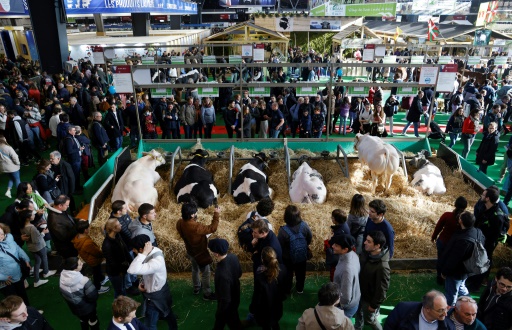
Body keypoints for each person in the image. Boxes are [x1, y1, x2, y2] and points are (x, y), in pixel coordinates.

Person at [127, 234, 178, 330]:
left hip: (155, 297)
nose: (133, 250)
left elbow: (131, 270)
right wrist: (142, 282)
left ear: (142, 249)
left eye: (134, 249)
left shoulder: (155, 261)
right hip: (161, 291)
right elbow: (146, 272)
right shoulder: (154, 251)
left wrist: (142, 254)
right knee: (168, 313)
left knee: (150, 325)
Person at [438, 211, 484, 306]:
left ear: (461, 221)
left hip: (457, 272)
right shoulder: (477, 232)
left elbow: (453, 259)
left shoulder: (463, 241)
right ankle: (470, 303)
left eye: (460, 217)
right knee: (461, 286)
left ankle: (450, 310)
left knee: (451, 292)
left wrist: (444, 272)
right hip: (468, 269)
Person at [176, 202, 219, 300]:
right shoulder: (196, 227)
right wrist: (216, 214)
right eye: (195, 212)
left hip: (190, 252)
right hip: (200, 254)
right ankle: (207, 294)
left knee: (195, 269)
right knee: (206, 272)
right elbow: (213, 228)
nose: (196, 213)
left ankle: (196, 288)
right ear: (191, 215)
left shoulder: (179, 222)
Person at [470, 188, 509, 290]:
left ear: (488, 198)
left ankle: (477, 283)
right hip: (480, 240)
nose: (481, 197)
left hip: (487, 243)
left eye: (483, 195)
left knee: (483, 261)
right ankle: (473, 278)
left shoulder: (497, 216)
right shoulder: (484, 208)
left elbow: (495, 234)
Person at [355, 231, 391, 330]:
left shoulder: (382, 267)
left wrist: (374, 305)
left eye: (369, 241)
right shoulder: (366, 253)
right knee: (358, 315)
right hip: (360, 293)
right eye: (366, 240)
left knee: (370, 320)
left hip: (369, 299)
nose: (364, 243)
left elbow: (382, 289)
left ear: (377, 246)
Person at [208, 238, 243, 330]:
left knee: (221, 321)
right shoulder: (233, 257)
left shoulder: (222, 274)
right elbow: (239, 273)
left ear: (216, 254)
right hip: (236, 295)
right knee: (234, 319)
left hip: (227, 305)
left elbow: (225, 300)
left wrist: (219, 312)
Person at [431, 196, 467, 285]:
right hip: (456, 245)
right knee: (452, 261)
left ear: (455, 205)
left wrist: (434, 236)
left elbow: (438, 227)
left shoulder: (447, 215)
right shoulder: (465, 219)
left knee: (441, 260)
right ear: (465, 207)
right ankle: (448, 277)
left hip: (443, 241)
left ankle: (440, 277)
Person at [277, 205, 313, 295]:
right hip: (301, 255)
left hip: (288, 258)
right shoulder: (304, 226)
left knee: (288, 274)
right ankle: (300, 289)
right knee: (301, 274)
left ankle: (287, 290)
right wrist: (304, 245)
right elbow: (309, 237)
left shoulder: (283, 231)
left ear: (286, 216)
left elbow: (279, 245)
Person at [249, 246, 287, 330]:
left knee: (266, 326)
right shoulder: (283, 269)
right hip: (277, 307)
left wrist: (252, 308)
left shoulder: (260, 276)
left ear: (262, 260)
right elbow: (284, 287)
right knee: (275, 323)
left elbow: (257, 297)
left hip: (264, 311)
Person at [59, 257, 100, 330]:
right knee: (93, 320)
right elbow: (93, 296)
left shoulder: (62, 278)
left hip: (74, 307)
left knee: (83, 320)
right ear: (75, 268)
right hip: (88, 308)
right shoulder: (84, 280)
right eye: (80, 264)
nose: (82, 264)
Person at [19, 209, 56, 288]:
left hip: (31, 247)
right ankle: (46, 272)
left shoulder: (22, 226)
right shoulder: (31, 227)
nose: (34, 215)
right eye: (32, 215)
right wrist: (43, 233)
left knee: (37, 261)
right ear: (27, 218)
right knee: (44, 258)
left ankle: (37, 280)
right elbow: (36, 240)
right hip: (39, 247)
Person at [383, 290, 453, 330]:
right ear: (427, 308)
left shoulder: (449, 326)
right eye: (441, 310)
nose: (445, 314)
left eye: (446, 308)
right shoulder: (403, 310)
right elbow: (389, 327)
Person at [72, 220, 110, 294]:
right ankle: (98, 287)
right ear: (85, 230)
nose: (89, 228)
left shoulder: (77, 237)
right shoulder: (87, 243)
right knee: (96, 272)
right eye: (88, 227)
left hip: (88, 258)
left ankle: (102, 278)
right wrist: (103, 254)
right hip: (94, 260)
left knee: (97, 271)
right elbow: (96, 252)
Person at [330, 234, 361, 318]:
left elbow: (346, 298)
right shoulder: (353, 254)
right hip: (355, 298)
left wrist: (334, 305)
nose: (332, 246)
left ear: (345, 250)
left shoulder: (347, 269)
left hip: (345, 308)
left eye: (336, 245)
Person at [0, 223, 31, 305]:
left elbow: (17, 248)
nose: (0, 236)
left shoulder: (9, 238)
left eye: (1, 234)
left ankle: (29, 311)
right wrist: (3, 278)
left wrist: (26, 259)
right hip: (6, 281)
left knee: (23, 294)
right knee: (13, 301)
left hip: (17, 274)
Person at [102, 218, 133, 298]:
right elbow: (112, 262)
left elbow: (124, 249)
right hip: (115, 273)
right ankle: (120, 306)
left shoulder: (117, 235)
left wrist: (131, 261)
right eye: (119, 224)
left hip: (121, 269)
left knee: (122, 287)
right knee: (119, 290)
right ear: (114, 229)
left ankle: (124, 301)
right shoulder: (107, 245)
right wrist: (120, 271)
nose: (121, 225)